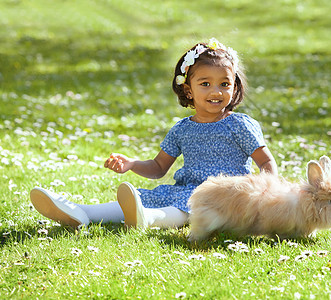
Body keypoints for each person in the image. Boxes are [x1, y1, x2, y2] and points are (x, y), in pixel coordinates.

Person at [30, 38, 278, 230]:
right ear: (188, 89)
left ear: (234, 86)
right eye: (205, 83)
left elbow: (265, 161)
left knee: (185, 208)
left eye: (225, 84)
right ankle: (81, 212)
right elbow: (159, 167)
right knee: (148, 196)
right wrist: (132, 164)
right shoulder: (182, 129)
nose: (216, 91)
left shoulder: (239, 124)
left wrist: (263, 192)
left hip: (226, 196)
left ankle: (146, 219)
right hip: (187, 189)